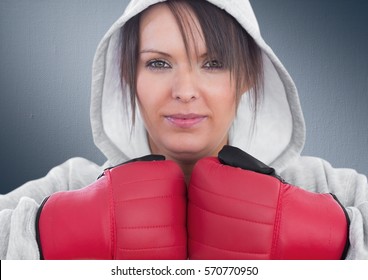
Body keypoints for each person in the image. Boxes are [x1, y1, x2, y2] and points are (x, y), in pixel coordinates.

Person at [0, 0, 367, 260]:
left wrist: (337, 236)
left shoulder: (324, 187)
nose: (185, 91)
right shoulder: (71, 186)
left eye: (213, 63)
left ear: (247, 79)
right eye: (158, 63)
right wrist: (42, 233)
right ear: (128, 77)